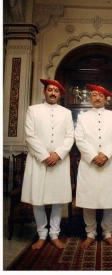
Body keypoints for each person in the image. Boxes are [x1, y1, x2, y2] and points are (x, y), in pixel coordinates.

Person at [21, 79, 74, 250]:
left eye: (56, 91)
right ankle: (42, 234)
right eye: (50, 90)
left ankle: (54, 234)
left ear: (60, 94)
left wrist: (58, 154)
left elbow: (70, 137)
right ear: (44, 92)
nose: (53, 93)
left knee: (58, 199)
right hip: (38, 161)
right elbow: (30, 135)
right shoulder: (33, 110)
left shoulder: (66, 113)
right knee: (38, 199)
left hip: (59, 161)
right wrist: (44, 155)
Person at [75, 84, 112, 249]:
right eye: (94, 95)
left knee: (109, 199)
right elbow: (79, 139)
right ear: (90, 98)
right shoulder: (82, 118)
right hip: (89, 164)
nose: (97, 98)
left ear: (106, 99)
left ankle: (108, 233)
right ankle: (90, 233)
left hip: (110, 163)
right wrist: (93, 156)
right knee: (88, 199)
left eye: (101, 95)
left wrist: (106, 154)